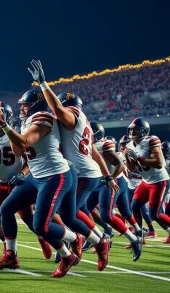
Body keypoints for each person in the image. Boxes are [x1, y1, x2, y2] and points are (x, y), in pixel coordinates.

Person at [0, 92, 84, 278]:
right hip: (36, 176)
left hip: (54, 175)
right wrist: (6, 128)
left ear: (35, 105)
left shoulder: (44, 117)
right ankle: (11, 256)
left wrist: (5, 126)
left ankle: (73, 240)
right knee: (6, 208)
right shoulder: (27, 121)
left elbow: (24, 141)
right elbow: (18, 150)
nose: (21, 108)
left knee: (42, 227)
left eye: (25, 104)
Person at [28, 59, 112, 269]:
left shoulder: (73, 116)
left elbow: (57, 109)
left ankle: (98, 240)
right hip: (82, 171)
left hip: (83, 173)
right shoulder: (82, 125)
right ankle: (86, 240)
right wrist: (107, 176)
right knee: (67, 213)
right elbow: (94, 152)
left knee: (66, 214)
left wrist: (43, 84)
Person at [0, 102, 51, 262]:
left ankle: (42, 238)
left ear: (8, 117)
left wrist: (22, 174)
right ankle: (7, 246)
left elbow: (29, 162)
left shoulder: (18, 133)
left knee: (30, 220)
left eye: (1, 115)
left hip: (16, 183)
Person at [86, 122, 143, 261]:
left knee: (107, 215)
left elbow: (120, 164)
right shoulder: (87, 144)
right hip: (98, 181)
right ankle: (100, 236)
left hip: (111, 182)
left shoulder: (104, 145)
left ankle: (134, 238)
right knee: (80, 210)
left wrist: (109, 178)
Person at [125, 118, 170, 248]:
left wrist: (138, 157)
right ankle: (139, 238)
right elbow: (132, 169)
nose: (132, 132)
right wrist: (128, 157)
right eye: (131, 129)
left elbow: (159, 163)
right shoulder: (130, 145)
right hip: (145, 181)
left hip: (159, 181)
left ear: (144, 131)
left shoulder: (151, 140)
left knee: (155, 214)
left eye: (136, 129)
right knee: (134, 206)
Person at [161, 141, 170, 243]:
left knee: (164, 213)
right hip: (164, 188)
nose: (163, 152)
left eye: (165, 150)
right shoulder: (159, 158)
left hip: (167, 189)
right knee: (162, 214)